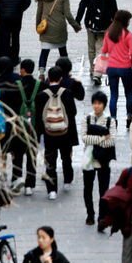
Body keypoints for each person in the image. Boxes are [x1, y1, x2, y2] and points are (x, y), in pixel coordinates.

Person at [75, 0, 118, 84]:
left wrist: (77, 21)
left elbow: (82, 7)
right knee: (101, 48)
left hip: (90, 23)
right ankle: (97, 73)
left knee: (91, 47)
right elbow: (114, 7)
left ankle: (92, 69)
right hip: (105, 23)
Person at [39, 65, 78, 199]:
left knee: (51, 160)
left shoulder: (42, 95)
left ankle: (52, 190)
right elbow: (73, 112)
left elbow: (39, 116)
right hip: (64, 132)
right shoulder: (67, 93)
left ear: (48, 78)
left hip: (49, 133)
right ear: (61, 78)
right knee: (66, 157)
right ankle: (67, 181)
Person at [33, 0, 81, 74]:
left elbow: (39, 13)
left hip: (46, 27)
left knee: (44, 51)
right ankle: (66, 71)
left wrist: (38, 26)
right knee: (63, 50)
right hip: (59, 28)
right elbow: (68, 14)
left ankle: (41, 72)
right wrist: (76, 26)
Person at [81, 90, 116, 226]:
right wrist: (101, 138)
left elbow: (112, 140)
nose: (96, 106)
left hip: (103, 159)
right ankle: (90, 213)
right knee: (87, 188)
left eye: (99, 103)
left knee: (104, 190)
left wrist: (94, 139)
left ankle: (102, 215)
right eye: (94, 103)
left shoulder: (109, 120)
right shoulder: (87, 119)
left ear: (104, 105)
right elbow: (84, 138)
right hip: (89, 158)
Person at [10, 58, 43, 196]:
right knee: (32, 155)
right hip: (35, 127)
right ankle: (29, 185)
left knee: (17, 154)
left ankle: (16, 179)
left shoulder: (16, 85)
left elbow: (11, 107)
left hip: (18, 126)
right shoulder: (40, 85)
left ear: (22, 70)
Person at [100, 10, 132, 126]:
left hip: (112, 67)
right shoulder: (128, 35)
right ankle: (129, 116)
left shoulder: (108, 33)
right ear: (125, 21)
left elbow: (104, 50)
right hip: (125, 67)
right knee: (128, 93)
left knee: (113, 94)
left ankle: (114, 118)